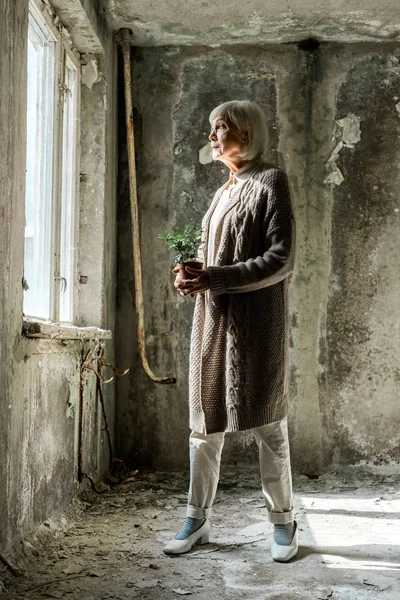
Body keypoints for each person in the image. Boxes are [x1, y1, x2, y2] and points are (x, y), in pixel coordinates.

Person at [164, 100, 297, 562]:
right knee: (204, 428)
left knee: (268, 425)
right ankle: (196, 518)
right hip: (212, 323)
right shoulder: (222, 191)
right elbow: (211, 258)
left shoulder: (271, 181)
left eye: (220, 127)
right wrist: (189, 274)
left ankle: (284, 522)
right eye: (211, 128)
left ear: (246, 131)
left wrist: (216, 277)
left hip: (258, 327)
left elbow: (281, 258)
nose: (213, 136)